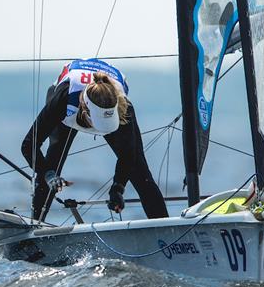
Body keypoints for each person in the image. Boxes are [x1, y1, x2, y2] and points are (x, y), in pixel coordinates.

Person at [21, 58, 169, 221]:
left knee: (141, 173)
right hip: (70, 106)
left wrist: (117, 188)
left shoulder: (124, 108)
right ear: (85, 111)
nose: (100, 129)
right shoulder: (63, 100)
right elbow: (29, 145)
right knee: (52, 163)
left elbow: (128, 156)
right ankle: (34, 225)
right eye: (99, 123)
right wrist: (47, 174)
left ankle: (166, 230)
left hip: (107, 104)